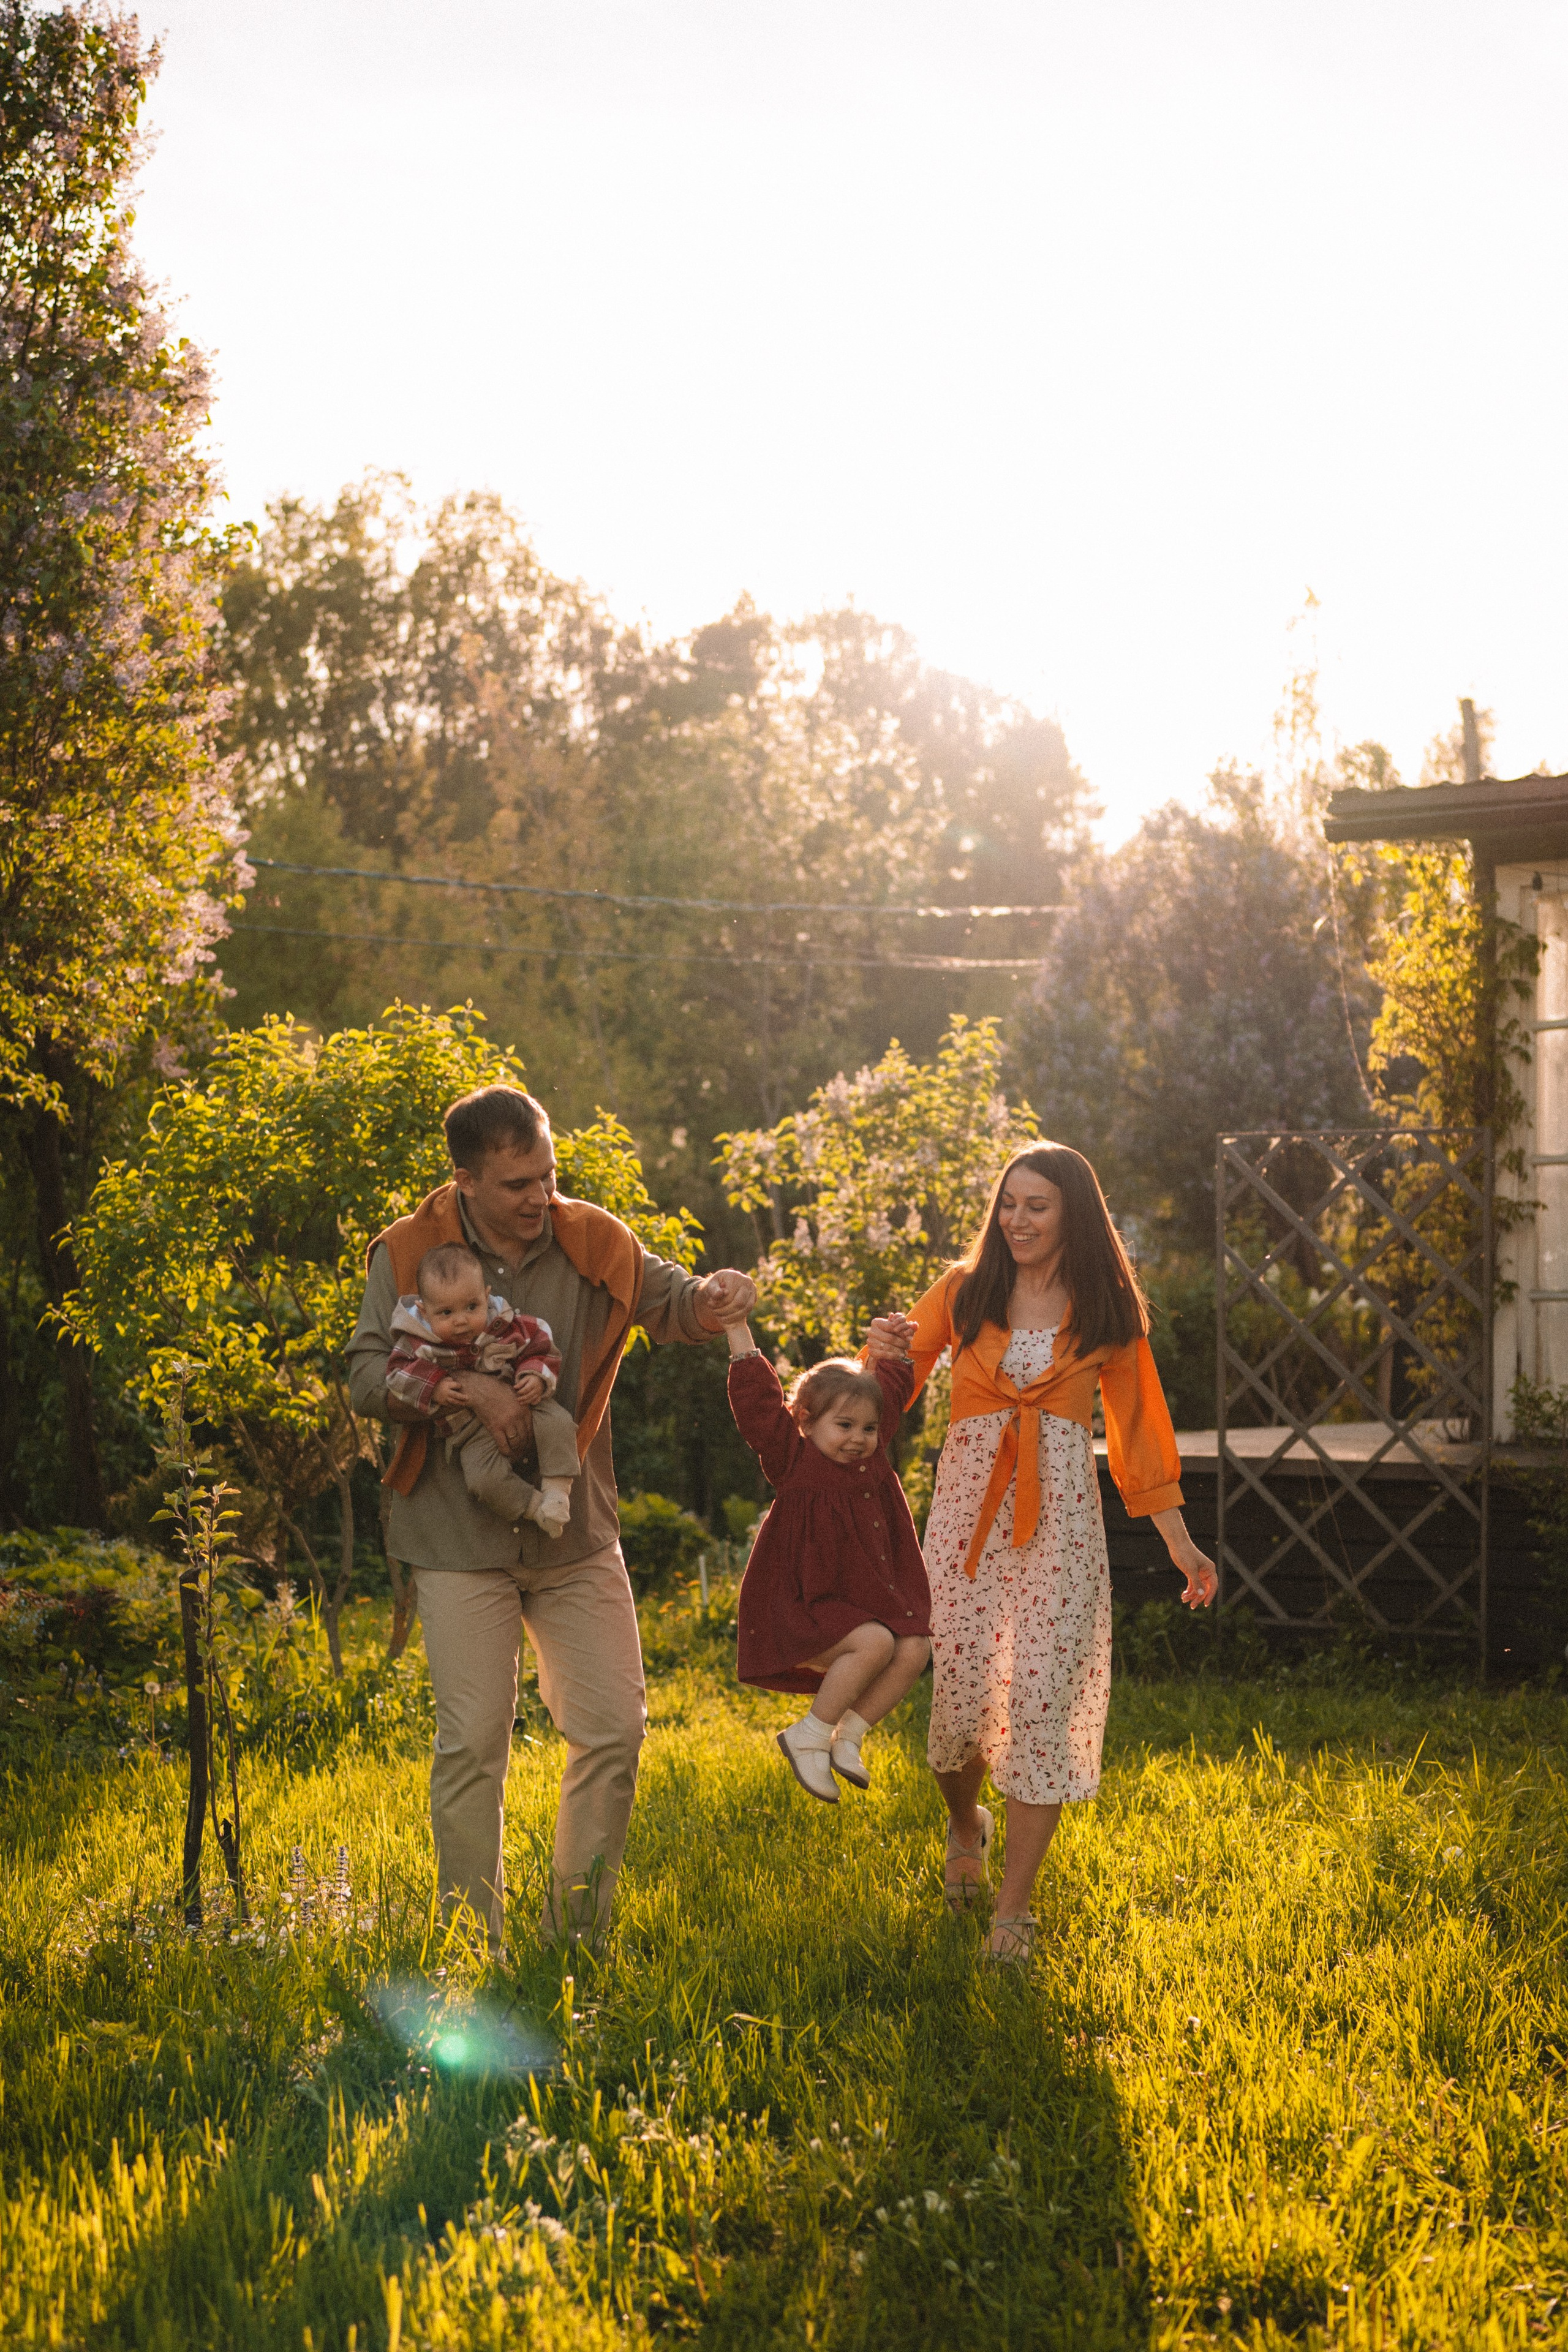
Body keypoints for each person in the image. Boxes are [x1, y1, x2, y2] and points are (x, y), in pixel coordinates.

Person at [347, 1085, 755, 1952]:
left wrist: (715, 1297)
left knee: (613, 1729)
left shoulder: (593, 1238)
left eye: (549, 1175)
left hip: (574, 1529)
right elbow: (364, 1378)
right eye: (517, 1184)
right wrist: (466, 1387)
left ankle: (576, 1939)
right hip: (456, 1536)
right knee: (473, 1745)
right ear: (464, 1179)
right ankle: (469, 1944)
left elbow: (672, 1302)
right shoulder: (410, 1250)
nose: (541, 1198)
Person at [864, 1143, 1216, 1966]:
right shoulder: (964, 1290)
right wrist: (881, 1351)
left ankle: (1013, 1911)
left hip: (1059, 1527)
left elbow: (1140, 1434)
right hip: (963, 1526)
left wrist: (1181, 1543)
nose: (1016, 1220)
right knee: (954, 1704)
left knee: (1040, 1704)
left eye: (1037, 1207)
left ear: (1074, 1216)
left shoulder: (1106, 1310)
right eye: (1008, 1204)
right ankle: (964, 1823)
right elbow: (883, 1392)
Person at [723, 1319, 930, 1800]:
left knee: (916, 1646)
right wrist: (736, 1329)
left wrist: (893, 1348)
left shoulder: (871, 1462)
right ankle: (809, 1736)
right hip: (801, 1606)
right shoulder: (793, 1460)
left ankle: (847, 1739)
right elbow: (757, 1407)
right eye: (843, 1426)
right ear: (806, 1420)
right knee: (877, 1642)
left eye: (869, 1428)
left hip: (862, 1602)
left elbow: (891, 1390)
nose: (858, 1438)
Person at [385, 1240, 579, 1535]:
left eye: (472, 1307)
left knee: (560, 1424)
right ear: (424, 1312)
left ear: (486, 1298)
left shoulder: (503, 1324)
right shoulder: (418, 1343)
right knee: (483, 1480)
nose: (461, 1320)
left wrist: (535, 1375)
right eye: (446, 1313)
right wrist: (434, 1386)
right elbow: (397, 1374)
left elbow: (540, 1339)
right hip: (468, 1431)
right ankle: (536, 1508)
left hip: (522, 1398)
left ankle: (557, 1492)